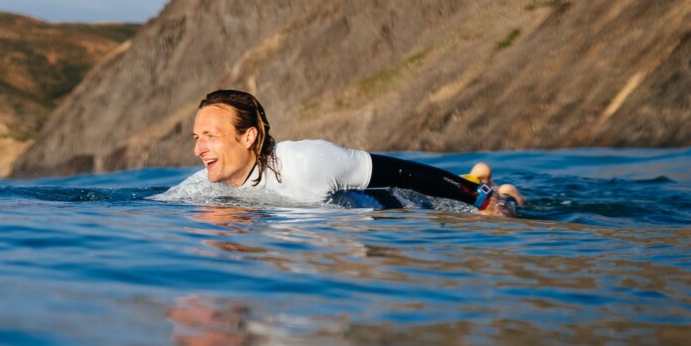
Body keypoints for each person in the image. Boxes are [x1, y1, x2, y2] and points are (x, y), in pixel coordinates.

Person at [168, 89, 522, 216]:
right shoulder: (205, 185)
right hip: (365, 234)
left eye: (210, 136)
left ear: (247, 137)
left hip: (400, 209)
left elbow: (402, 173)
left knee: (499, 206)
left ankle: (493, 188)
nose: (199, 148)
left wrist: (480, 199)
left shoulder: (307, 162)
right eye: (197, 137)